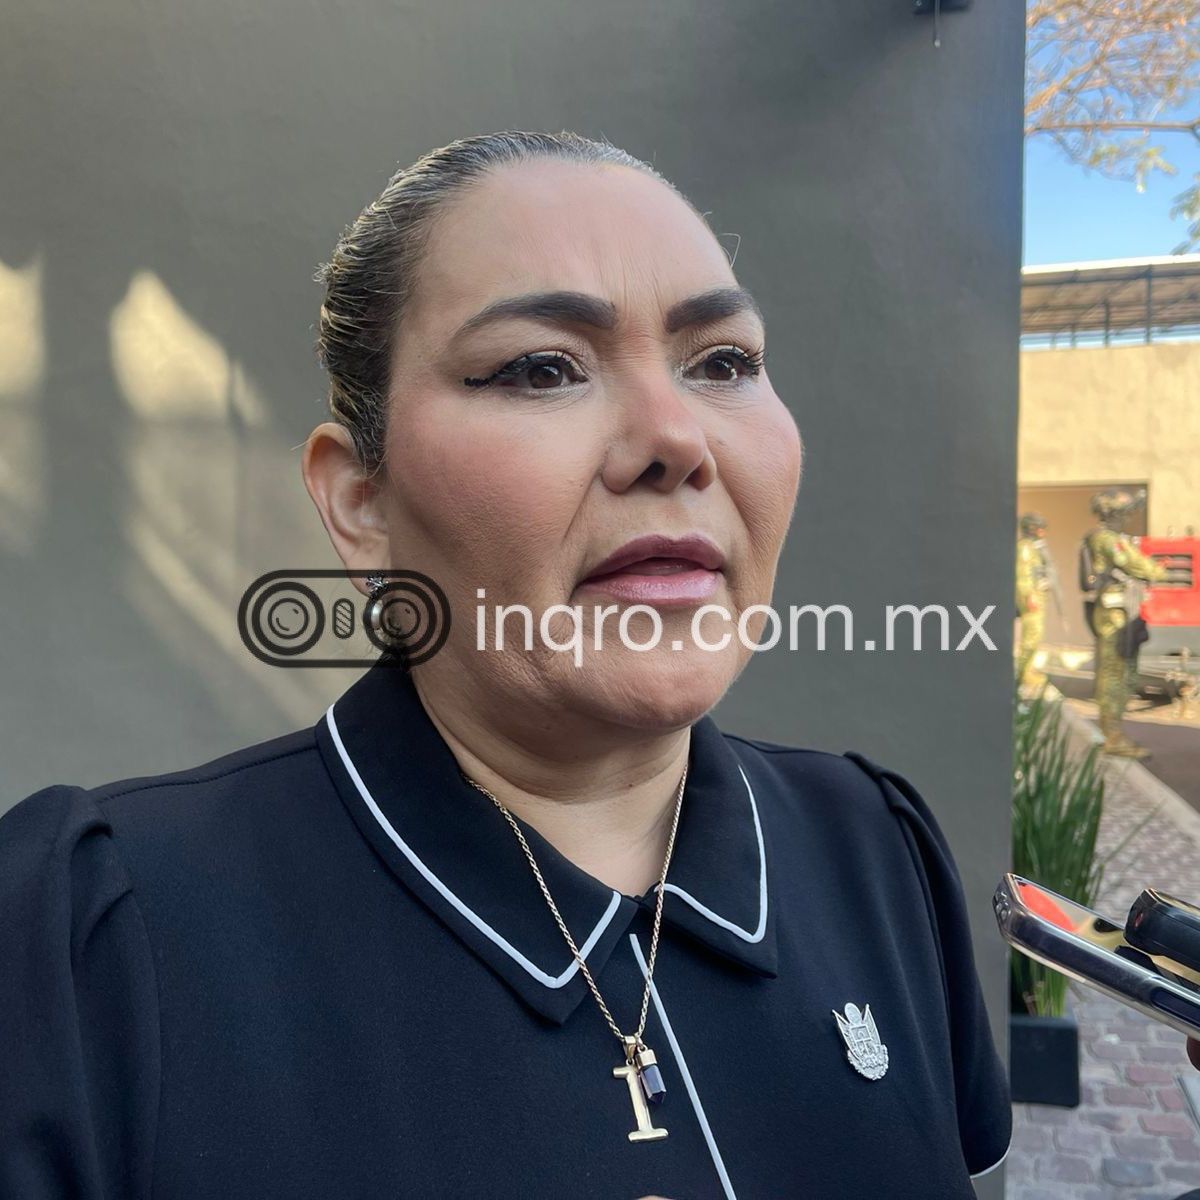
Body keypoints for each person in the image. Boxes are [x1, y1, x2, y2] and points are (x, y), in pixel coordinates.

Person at [2, 129, 1032, 1198]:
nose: (676, 438)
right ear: (361, 502)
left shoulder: (874, 848)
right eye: (544, 368)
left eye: (723, 362)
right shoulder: (94, 940)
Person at [1079, 487, 1168, 758]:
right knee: (1114, 674)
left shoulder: (1107, 538)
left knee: (1119, 672)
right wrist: (1156, 570)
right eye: (1125, 512)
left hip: (1118, 612)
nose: (1128, 517)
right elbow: (1137, 565)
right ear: (1114, 513)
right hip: (1114, 616)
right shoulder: (1107, 539)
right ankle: (1113, 736)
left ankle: (1111, 732)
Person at [1014, 511, 1053, 688]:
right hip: (1031, 599)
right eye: (1039, 528)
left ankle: (1027, 672)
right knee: (1031, 637)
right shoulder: (1025, 547)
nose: (1042, 532)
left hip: (1037, 596)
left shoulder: (1034, 547)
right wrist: (1028, 596)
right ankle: (1022, 674)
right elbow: (1023, 575)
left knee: (1035, 637)